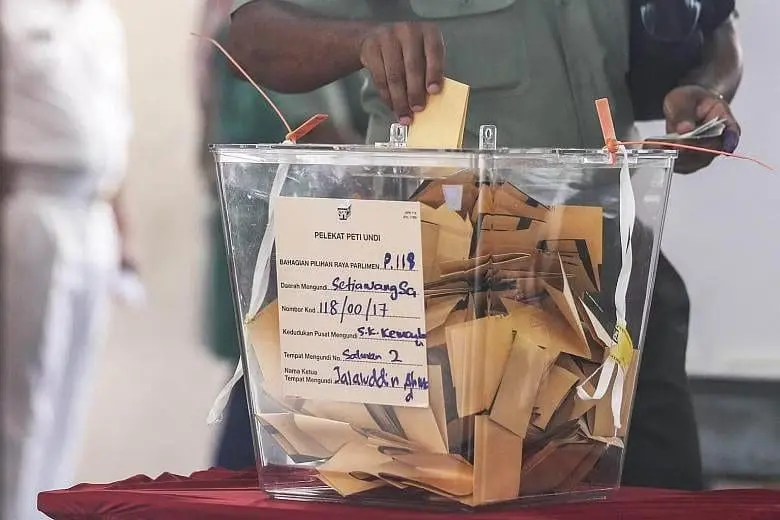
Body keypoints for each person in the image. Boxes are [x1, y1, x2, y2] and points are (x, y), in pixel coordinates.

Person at [222, 0, 742, 490]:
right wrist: (361, 42)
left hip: (611, 266)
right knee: (449, 494)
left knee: (662, 491)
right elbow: (251, 39)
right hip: (444, 287)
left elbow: (716, 27)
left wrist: (702, 91)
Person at [195, 0, 367, 469]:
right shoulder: (271, 30)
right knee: (268, 391)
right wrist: (401, 176)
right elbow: (314, 132)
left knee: (267, 384)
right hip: (296, 237)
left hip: (298, 234)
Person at [1, 1, 133, 517]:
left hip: (93, 209)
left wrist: (126, 229)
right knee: (22, 397)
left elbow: (115, 125)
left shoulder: (100, 16)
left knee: (71, 392)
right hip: (32, 202)